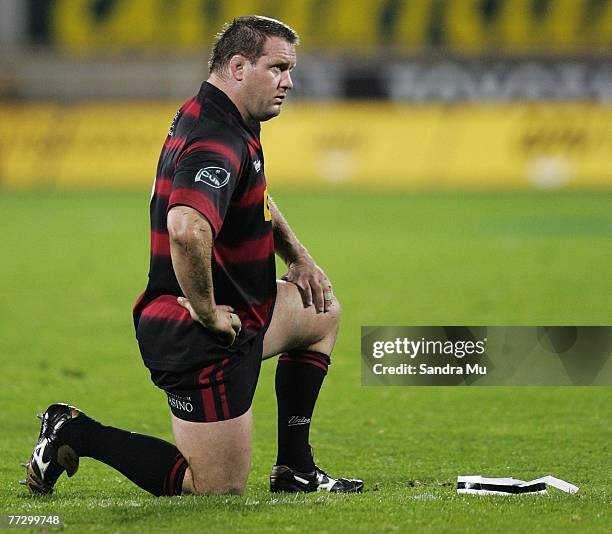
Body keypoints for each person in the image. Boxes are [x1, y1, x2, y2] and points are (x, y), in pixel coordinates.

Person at [22, 15, 363, 497]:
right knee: (216, 488)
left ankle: (295, 469)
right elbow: (185, 228)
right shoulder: (216, 137)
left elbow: (253, 191)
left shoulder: (225, 118)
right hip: (200, 337)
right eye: (279, 68)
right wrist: (205, 311)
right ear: (239, 67)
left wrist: (299, 256)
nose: (289, 81)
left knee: (320, 311)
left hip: (247, 316)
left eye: (291, 69)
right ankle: (75, 432)